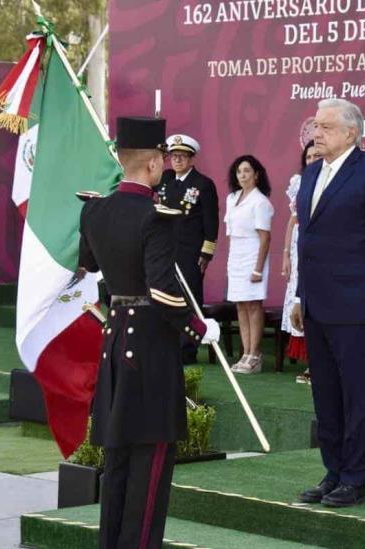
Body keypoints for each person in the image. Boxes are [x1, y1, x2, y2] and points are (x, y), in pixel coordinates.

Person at [77, 116, 220, 548]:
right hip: (151, 345)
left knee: (118, 457)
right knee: (152, 460)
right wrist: (199, 327)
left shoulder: (94, 208)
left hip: (115, 337)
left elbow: (91, 267)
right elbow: (162, 290)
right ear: (155, 163)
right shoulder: (158, 216)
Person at [291, 98, 365, 507]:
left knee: (358, 394)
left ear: (351, 133)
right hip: (318, 304)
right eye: (315, 126)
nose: (315, 133)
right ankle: (334, 471)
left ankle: (356, 478)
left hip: (358, 305)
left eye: (324, 126)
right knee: (325, 394)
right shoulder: (309, 174)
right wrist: (301, 295)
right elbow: (308, 242)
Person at [157, 134, 219, 364]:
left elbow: (211, 222)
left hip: (190, 252)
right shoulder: (165, 179)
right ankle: (168, 344)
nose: (177, 160)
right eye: (174, 156)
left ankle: (188, 347)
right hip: (164, 250)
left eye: (182, 156)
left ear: (192, 159)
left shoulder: (202, 184)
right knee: (166, 295)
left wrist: (206, 253)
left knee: (189, 298)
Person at [224, 155, 274, 374]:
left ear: (256, 174)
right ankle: (245, 353)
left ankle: (255, 354)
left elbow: (265, 238)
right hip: (236, 255)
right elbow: (230, 233)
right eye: (239, 171)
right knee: (240, 305)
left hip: (253, 254)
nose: (242, 175)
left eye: (246, 171)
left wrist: (258, 268)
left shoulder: (261, 201)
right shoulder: (232, 198)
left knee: (253, 305)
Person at [281, 140, 321, 384]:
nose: (312, 160)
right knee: (300, 302)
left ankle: (320, 366)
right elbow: (293, 219)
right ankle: (309, 364)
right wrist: (286, 252)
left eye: (317, 156)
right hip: (299, 245)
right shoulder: (299, 182)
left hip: (322, 247)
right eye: (308, 157)